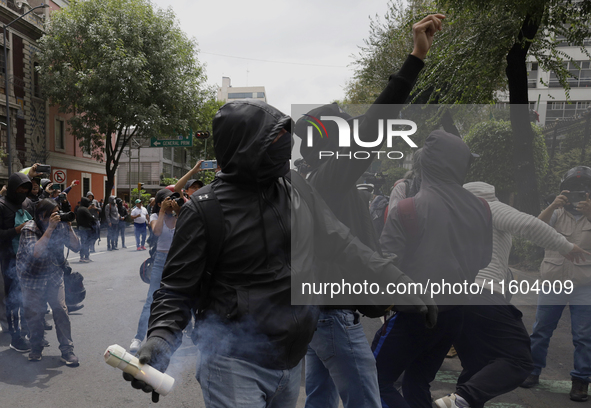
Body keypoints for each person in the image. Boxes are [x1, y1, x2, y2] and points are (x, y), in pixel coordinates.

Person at [123, 99, 436, 407]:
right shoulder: (205, 209)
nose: (285, 145)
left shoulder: (296, 189)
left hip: (289, 361)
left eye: (286, 136)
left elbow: (343, 243)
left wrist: (400, 282)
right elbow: (176, 290)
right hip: (232, 364)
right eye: (274, 137)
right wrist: (160, 339)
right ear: (244, 146)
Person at [294, 14, 444, 408]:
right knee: (366, 401)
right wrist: (415, 57)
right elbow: (375, 124)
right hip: (332, 314)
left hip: (320, 308)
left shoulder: (319, 181)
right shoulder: (329, 178)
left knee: (320, 399)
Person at [434, 181, 588, 408]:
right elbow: (531, 225)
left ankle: (462, 401)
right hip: (484, 293)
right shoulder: (491, 207)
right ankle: (459, 400)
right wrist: (567, 247)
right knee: (519, 359)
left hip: (451, 294)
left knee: (476, 363)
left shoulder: (450, 212)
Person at [375, 130, 493, 408]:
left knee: (375, 380)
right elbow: (485, 259)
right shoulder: (482, 207)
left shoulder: (407, 208)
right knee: (418, 381)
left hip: (413, 317)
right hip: (454, 315)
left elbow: (385, 268)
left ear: (425, 165)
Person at [520, 166, 591, 402]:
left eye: (584, 190)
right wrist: (552, 205)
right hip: (553, 282)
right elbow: (533, 229)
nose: (579, 196)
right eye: (573, 191)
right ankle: (532, 371)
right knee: (541, 331)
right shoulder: (556, 212)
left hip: (585, 285)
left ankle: (581, 380)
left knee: (583, 336)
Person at [17, 199, 80, 365]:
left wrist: (69, 227)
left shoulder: (59, 225)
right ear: (40, 215)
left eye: (57, 213)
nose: (56, 217)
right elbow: (36, 253)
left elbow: (76, 246)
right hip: (32, 277)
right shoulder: (29, 228)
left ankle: (67, 350)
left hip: (53, 275)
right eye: (52, 215)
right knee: (35, 314)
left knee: (60, 309)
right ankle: (36, 347)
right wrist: (50, 229)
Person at [129, 189, 179, 353]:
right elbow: (157, 232)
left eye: (172, 199)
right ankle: (138, 337)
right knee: (152, 299)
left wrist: (178, 211)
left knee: (185, 297)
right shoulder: (155, 216)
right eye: (166, 200)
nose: (170, 202)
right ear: (159, 203)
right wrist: (164, 211)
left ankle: (193, 336)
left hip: (178, 261)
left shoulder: (180, 215)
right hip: (160, 260)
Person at [0, 172, 33, 352]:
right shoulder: (2, 206)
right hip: (8, 259)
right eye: (20, 187)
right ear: (12, 187)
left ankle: (27, 332)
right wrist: (17, 230)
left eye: (26, 188)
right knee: (12, 299)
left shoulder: (26, 203)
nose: (23, 191)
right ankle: (15, 337)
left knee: (26, 298)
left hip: (27, 259)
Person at [76, 197, 96, 263]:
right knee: (85, 243)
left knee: (85, 243)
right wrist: (94, 218)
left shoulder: (80, 209)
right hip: (85, 228)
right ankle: (83, 257)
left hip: (81, 228)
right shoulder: (84, 209)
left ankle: (86, 256)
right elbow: (90, 217)